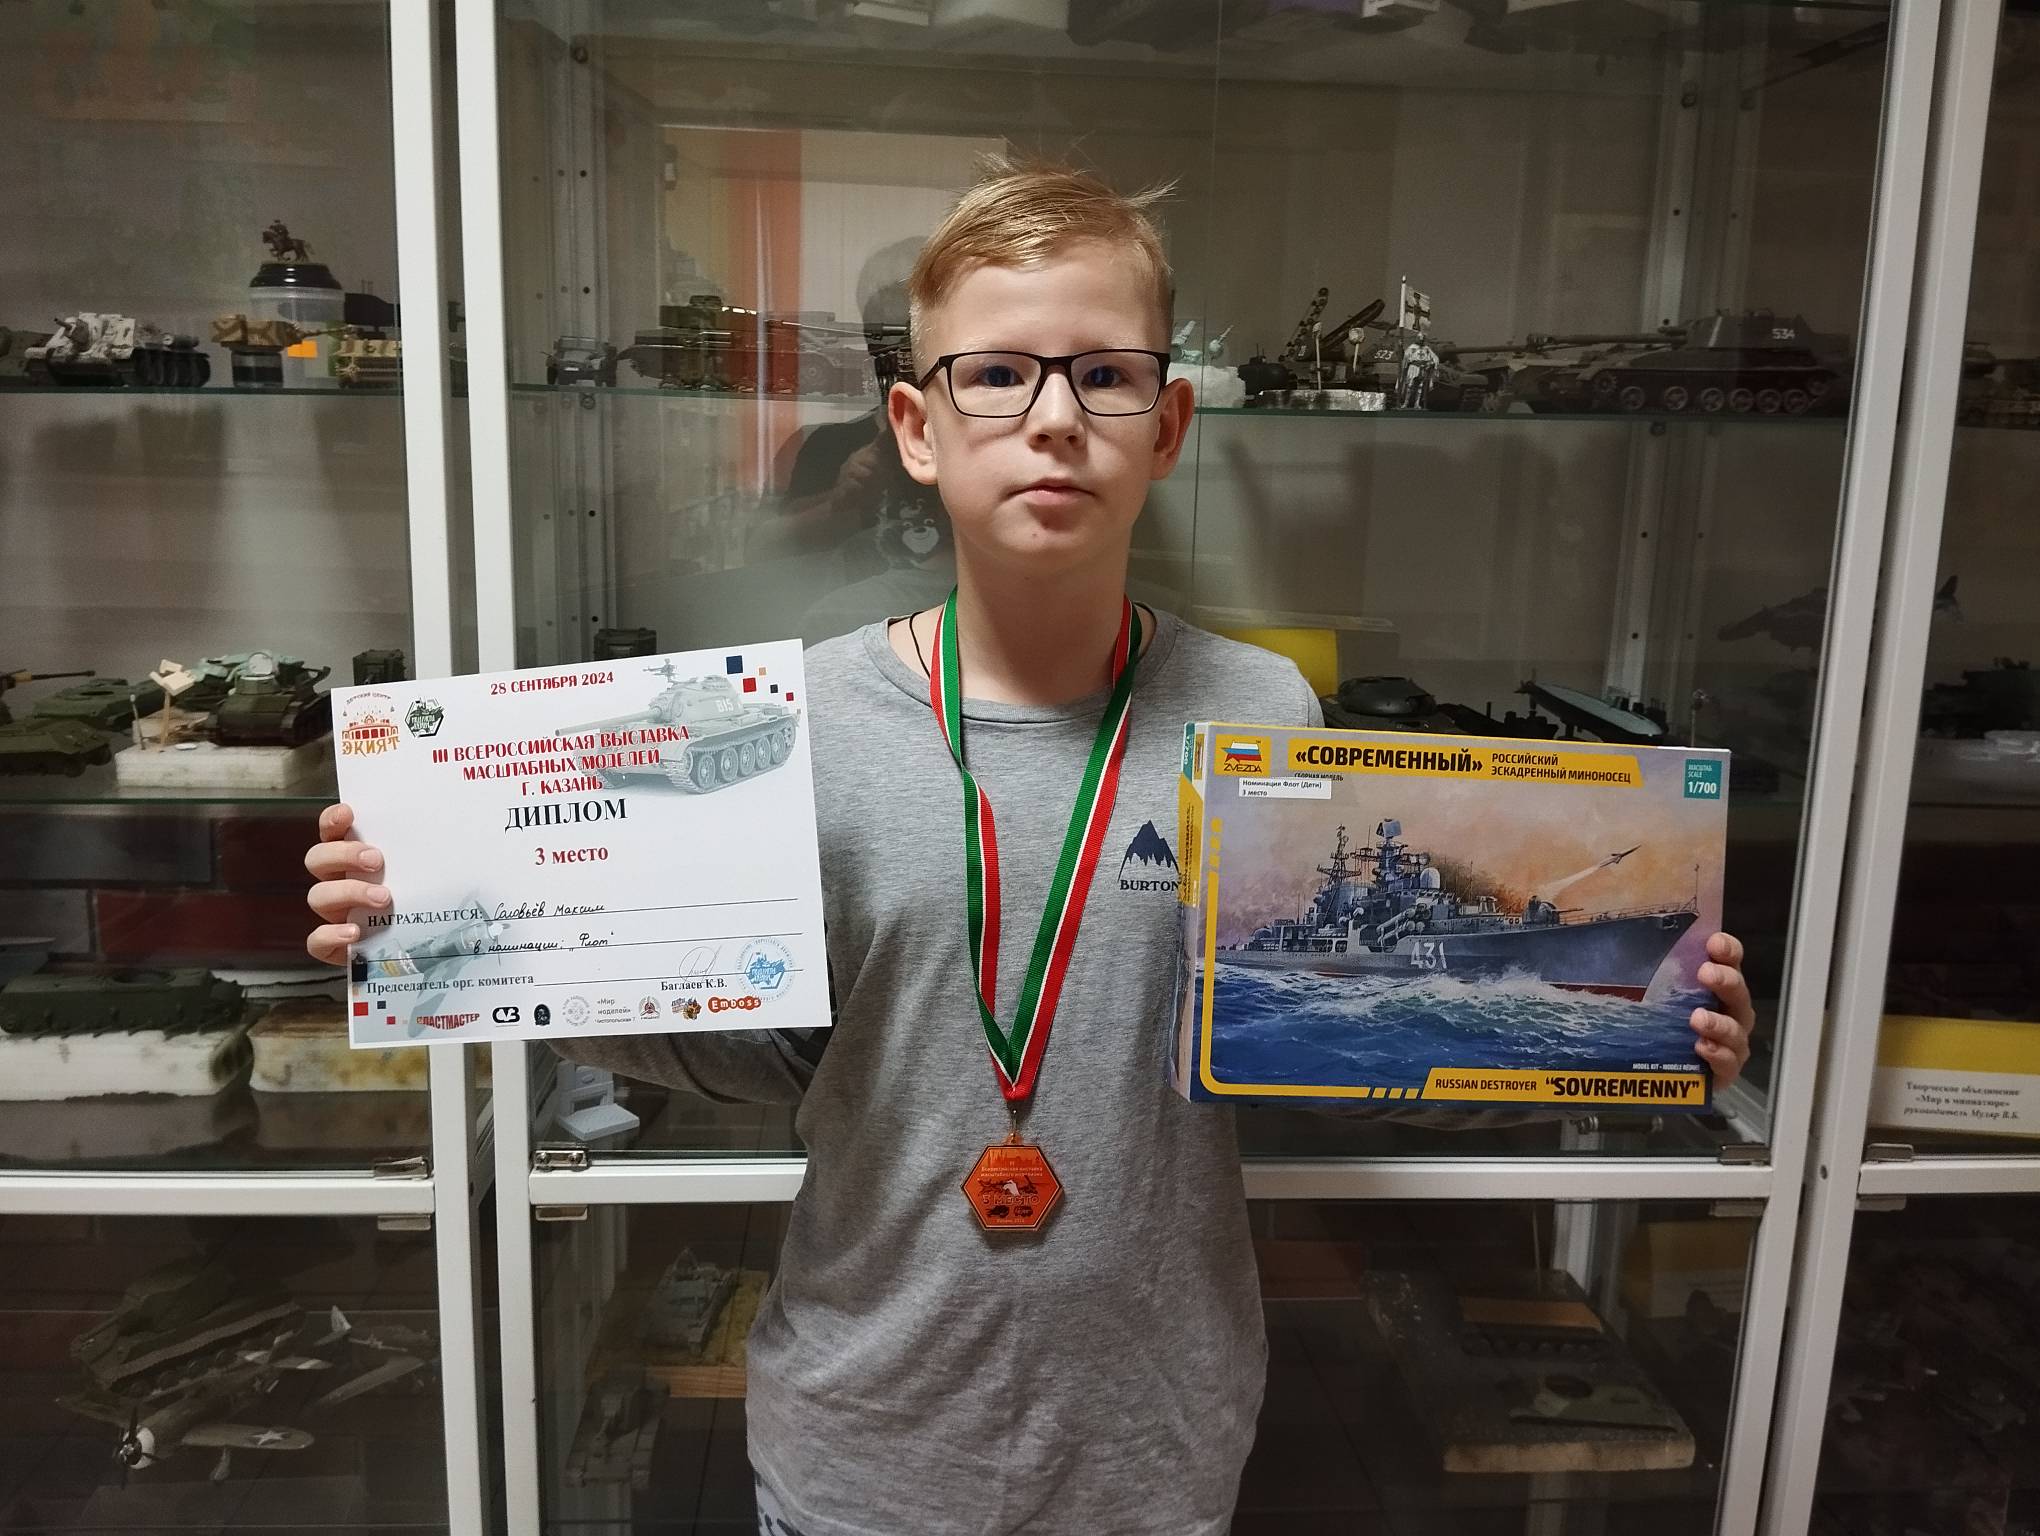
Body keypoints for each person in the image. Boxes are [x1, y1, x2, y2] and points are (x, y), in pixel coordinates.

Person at [304, 158, 1757, 1536]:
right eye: (995, 374)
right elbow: (769, 1048)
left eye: (1104, 374)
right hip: (861, 1450)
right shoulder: (792, 725)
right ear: (915, 430)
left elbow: (1344, 1036)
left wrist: (1630, 1033)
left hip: (1154, 1450)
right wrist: (450, 940)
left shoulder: (1262, 717)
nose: (1054, 418)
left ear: (1167, 426)